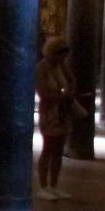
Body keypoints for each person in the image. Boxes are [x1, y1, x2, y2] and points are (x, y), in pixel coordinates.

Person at [34, 37, 78, 201]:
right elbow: (43, 93)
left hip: (62, 111)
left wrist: (70, 90)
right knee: (48, 148)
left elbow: (72, 80)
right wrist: (61, 96)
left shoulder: (61, 66)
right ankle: (43, 186)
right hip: (49, 113)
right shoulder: (41, 68)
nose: (63, 59)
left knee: (59, 150)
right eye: (61, 55)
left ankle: (54, 185)